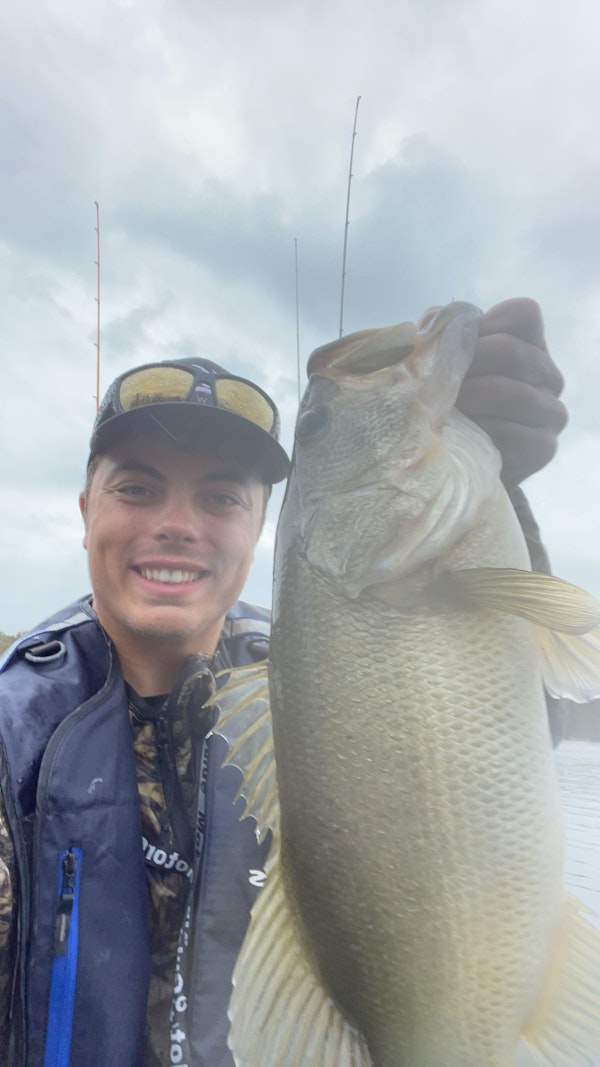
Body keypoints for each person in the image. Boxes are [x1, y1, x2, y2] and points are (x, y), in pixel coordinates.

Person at [0, 297, 567, 1066]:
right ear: (84, 510)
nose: (179, 523)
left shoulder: (317, 662)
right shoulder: (13, 730)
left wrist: (504, 500)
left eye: (221, 495)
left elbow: (509, 741)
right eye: (136, 488)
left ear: (260, 521)